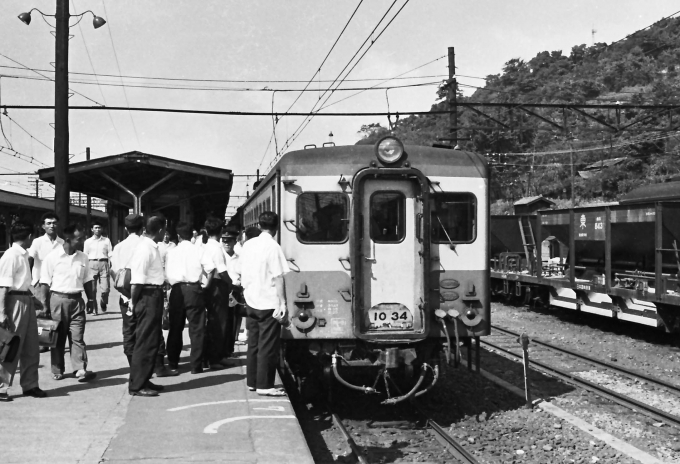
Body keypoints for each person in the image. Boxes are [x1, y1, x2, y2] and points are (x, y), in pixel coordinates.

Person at [235, 211, 289, 396]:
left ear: (259, 225)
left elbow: (240, 270)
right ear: (276, 228)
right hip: (267, 302)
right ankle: (265, 385)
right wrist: (283, 303)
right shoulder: (273, 247)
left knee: (254, 343)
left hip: (251, 300)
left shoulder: (248, 244)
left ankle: (252, 381)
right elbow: (278, 277)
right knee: (268, 345)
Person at [40, 224, 96, 382]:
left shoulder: (83, 257)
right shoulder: (52, 258)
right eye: (79, 239)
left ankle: (80, 369)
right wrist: (44, 305)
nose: (82, 241)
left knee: (77, 336)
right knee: (57, 337)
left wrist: (91, 299)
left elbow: (87, 280)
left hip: (77, 301)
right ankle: (57, 369)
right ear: (68, 239)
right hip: (58, 300)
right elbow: (45, 282)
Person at [0, 221, 46, 402]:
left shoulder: (24, 255)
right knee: (12, 345)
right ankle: (1, 387)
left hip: (25, 299)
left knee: (31, 345)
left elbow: (23, 281)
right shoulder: (10, 256)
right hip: (14, 301)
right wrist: (2, 313)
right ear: (28, 237)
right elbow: (3, 287)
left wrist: (33, 299)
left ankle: (30, 384)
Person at [165, 222, 214, 374]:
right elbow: (211, 269)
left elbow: (167, 275)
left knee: (175, 328)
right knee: (197, 329)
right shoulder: (198, 249)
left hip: (176, 291)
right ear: (192, 235)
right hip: (194, 290)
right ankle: (196, 365)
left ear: (178, 236)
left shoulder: (171, 252)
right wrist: (206, 285)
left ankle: (173, 362)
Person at [127, 216, 168, 397]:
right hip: (147, 296)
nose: (165, 233)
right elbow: (137, 281)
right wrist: (133, 303)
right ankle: (137, 385)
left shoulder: (151, 247)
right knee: (145, 341)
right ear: (160, 230)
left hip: (154, 294)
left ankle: (144, 378)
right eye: (164, 230)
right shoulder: (145, 249)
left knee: (151, 340)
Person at [110, 214, 143, 367]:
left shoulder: (118, 247)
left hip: (125, 295)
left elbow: (114, 272)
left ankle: (132, 363)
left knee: (129, 329)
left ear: (125, 229)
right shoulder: (146, 245)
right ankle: (154, 364)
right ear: (142, 228)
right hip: (145, 294)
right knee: (148, 330)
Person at [202, 218, 232, 369]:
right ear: (221, 232)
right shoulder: (216, 248)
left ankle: (212, 357)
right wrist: (232, 283)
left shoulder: (205, 246)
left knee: (213, 322)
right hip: (218, 287)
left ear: (207, 231)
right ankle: (215, 359)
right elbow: (222, 271)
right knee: (219, 323)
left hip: (209, 287)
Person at [28, 212, 64, 311]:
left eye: (54, 223)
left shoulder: (62, 243)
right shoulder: (37, 242)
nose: (52, 226)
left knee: (55, 312)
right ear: (43, 226)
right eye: (48, 223)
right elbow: (29, 259)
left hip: (57, 284)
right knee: (41, 311)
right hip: (40, 283)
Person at [83, 220, 112, 315]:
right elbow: (85, 254)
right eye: (95, 227)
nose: (97, 229)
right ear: (92, 229)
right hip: (91, 264)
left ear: (102, 229)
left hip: (103, 264)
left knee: (105, 289)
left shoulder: (106, 241)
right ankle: (94, 309)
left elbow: (110, 253)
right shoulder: (88, 242)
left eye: (99, 227)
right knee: (92, 290)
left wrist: (112, 264)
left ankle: (103, 302)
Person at [221, 228, 242, 354]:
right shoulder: (220, 257)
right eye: (224, 241)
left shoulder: (239, 258)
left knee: (233, 322)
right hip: (222, 290)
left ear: (235, 242)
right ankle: (221, 349)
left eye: (229, 241)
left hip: (235, 291)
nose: (227, 244)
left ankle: (229, 349)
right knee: (222, 322)